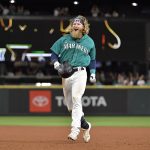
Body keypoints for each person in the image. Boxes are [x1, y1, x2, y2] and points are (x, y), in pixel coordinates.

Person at [50, 15, 96, 142]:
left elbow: (92, 59)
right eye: (74, 23)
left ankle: (74, 130)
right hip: (66, 74)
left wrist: (92, 73)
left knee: (77, 98)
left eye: (78, 24)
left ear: (83, 27)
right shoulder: (64, 39)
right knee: (71, 107)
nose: (75, 25)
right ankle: (86, 126)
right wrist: (55, 62)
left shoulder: (90, 42)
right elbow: (53, 52)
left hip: (81, 73)